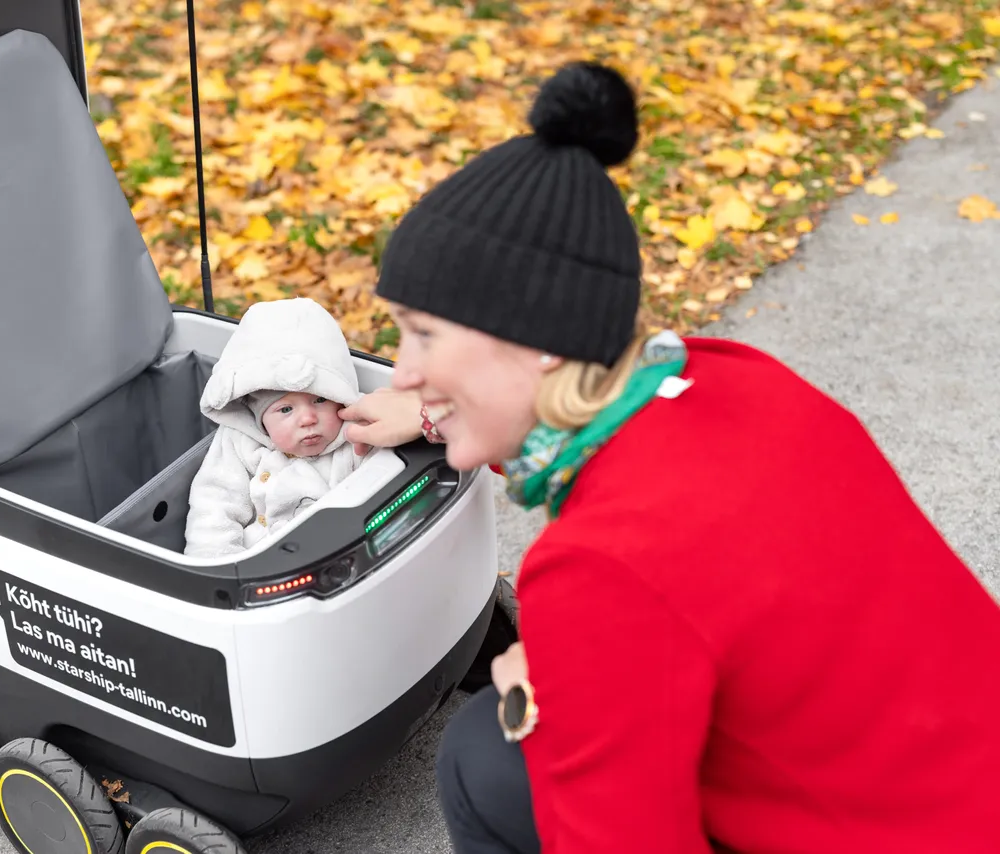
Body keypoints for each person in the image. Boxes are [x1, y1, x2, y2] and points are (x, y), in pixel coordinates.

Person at [338, 61, 1000, 853]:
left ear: (539, 341)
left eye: (424, 333)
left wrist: (536, 707)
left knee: (488, 754)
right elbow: (622, 464)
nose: (403, 365)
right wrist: (436, 410)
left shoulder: (598, 569)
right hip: (953, 787)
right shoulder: (727, 376)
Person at [184, 297, 367, 557]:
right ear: (260, 420)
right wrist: (216, 562)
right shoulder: (241, 442)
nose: (307, 419)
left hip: (339, 551)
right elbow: (215, 503)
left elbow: (379, 486)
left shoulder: (357, 437)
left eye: (320, 400)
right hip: (259, 558)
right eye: (286, 409)